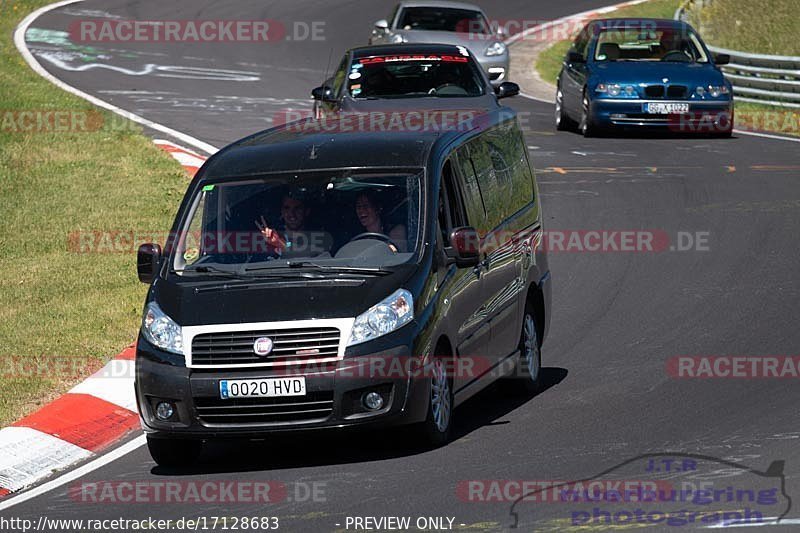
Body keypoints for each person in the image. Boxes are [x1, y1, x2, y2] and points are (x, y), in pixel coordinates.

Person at [255, 193, 332, 258]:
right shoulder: (270, 236)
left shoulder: (320, 236)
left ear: (306, 211)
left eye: (297, 208)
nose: (292, 214)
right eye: (287, 208)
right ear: (282, 211)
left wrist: (280, 244)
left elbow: (315, 254)